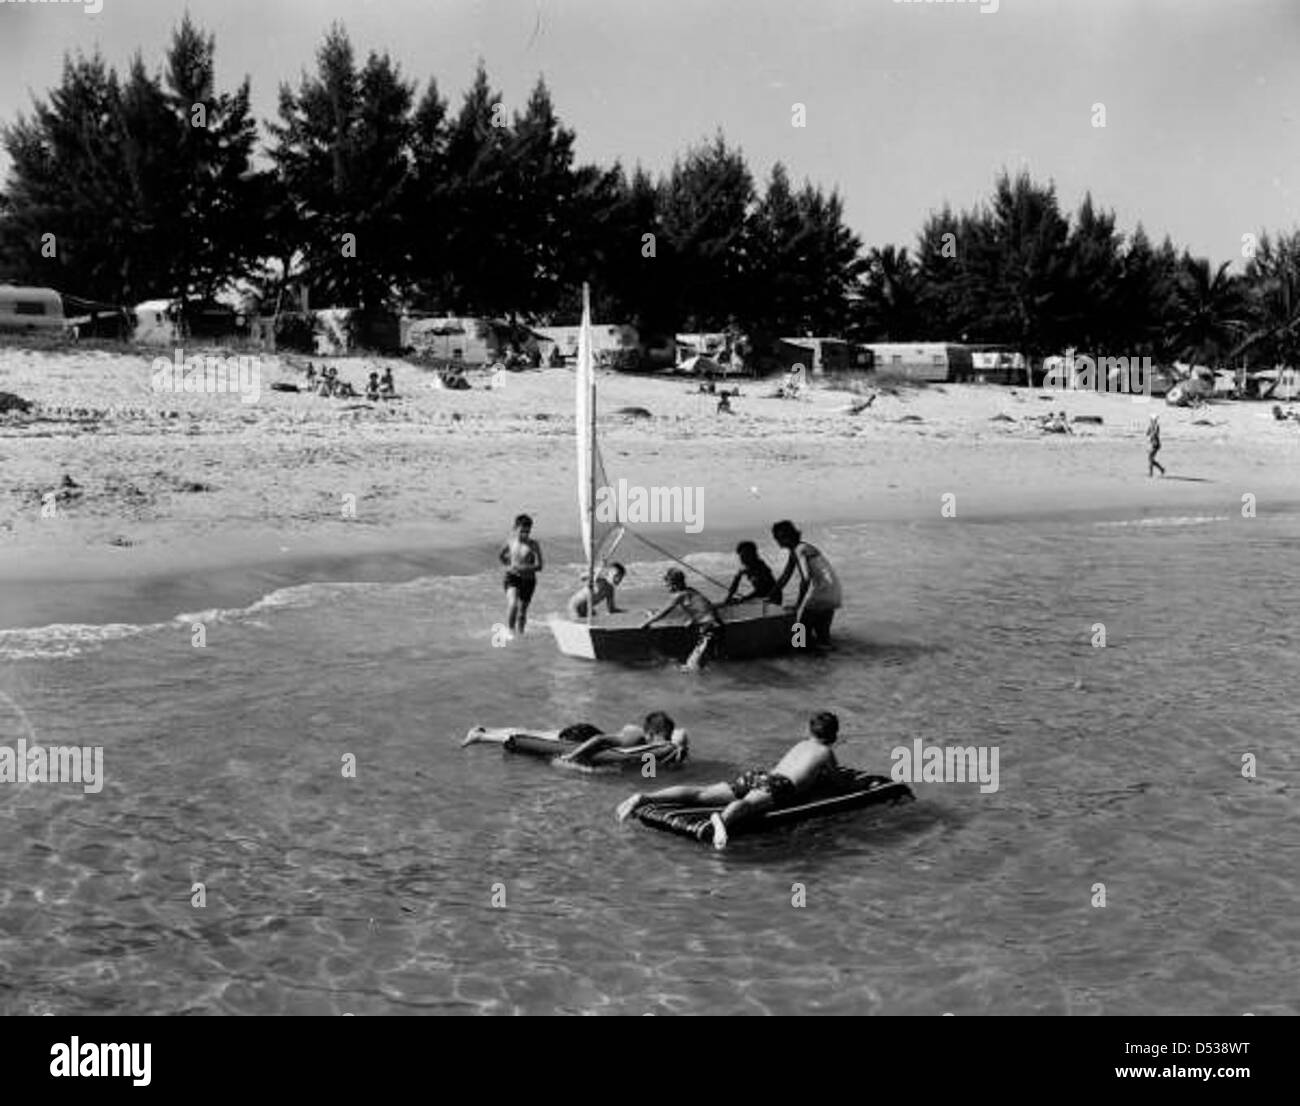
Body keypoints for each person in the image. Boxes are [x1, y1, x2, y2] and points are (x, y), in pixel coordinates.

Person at [616, 711, 844, 849]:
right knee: (749, 805)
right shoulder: (825, 752)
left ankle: (644, 797)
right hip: (780, 785)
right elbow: (838, 781)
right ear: (833, 735)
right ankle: (722, 820)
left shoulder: (800, 744)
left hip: (760, 776)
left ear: (809, 731)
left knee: (701, 793)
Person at [771, 520, 842, 648]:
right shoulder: (801, 548)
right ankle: (829, 664)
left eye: (777, 538)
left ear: (784, 537)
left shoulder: (799, 550)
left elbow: (806, 578)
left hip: (822, 593)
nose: (777, 541)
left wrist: (797, 605)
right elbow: (785, 577)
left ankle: (804, 665)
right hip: (834, 592)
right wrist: (771, 594)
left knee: (799, 638)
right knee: (823, 638)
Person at [642, 568, 723, 672]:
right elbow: (704, 607)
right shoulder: (691, 591)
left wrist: (647, 622)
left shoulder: (679, 595)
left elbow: (663, 612)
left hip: (709, 629)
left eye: (668, 585)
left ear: (676, 585)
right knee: (697, 664)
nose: (667, 587)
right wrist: (693, 619)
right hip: (714, 625)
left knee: (691, 666)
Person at [558, 710, 688, 767]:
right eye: (665, 737)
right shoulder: (632, 740)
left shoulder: (655, 744)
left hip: (625, 732)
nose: (668, 741)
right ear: (651, 735)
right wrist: (571, 756)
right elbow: (599, 738)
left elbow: (649, 769)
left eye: (669, 736)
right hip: (586, 734)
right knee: (577, 735)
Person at [498, 513, 543, 636]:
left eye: (527, 532)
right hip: (512, 578)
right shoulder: (510, 542)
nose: (525, 535)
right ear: (515, 528)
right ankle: (510, 632)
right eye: (522, 531)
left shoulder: (534, 545)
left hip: (528, 581)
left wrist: (523, 568)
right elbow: (501, 556)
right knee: (513, 604)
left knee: (522, 612)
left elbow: (540, 566)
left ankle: (521, 634)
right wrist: (509, 566)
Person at [724, 541, 782, 606]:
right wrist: (729, 596)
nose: (742, 558)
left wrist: (744, 599)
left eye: (746, 555)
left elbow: (761, 590)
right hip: (762, 599)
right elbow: (734, 586)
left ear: (753, 555)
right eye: (741, 556)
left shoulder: (761, 568)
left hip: (773, 600)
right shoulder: (747, 569)